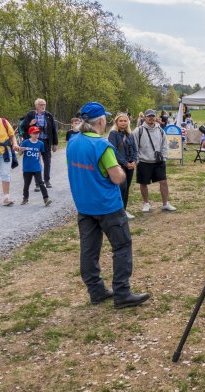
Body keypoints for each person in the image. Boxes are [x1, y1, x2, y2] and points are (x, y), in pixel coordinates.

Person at [66, 101, 150, 308]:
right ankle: (122, 293)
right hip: (107, 206)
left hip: (84, 206)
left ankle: (96, 291)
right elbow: (116, 177)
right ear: (102, 120)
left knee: (89, 250)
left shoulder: (73, 141)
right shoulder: (102, 145)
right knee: (122, 246)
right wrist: (123, 172)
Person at [133, 109, 176, 212]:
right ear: (145, 117)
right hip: (144, 161)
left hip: (158, 161)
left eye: (153, 116)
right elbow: (135, 146)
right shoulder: (138, 130)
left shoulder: (160, 130)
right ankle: (146, 204)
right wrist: (137, 160)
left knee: (163, 182)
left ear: (155, 117)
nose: (151, 118)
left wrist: (164, 157)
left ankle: (165, 203)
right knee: (143, 183)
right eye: (149, 116)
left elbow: (165, 145)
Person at [19, 98, 58, 188]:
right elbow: (24, 127)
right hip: (34, 142)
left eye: (44, 104)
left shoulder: (49, 115)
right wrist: (30, 124)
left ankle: (47, 180)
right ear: (36, 105)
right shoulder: (30, 114)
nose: (43, 106)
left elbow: (53, 129)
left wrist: (55, 143)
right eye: (40, 104)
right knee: (36, 162)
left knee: (47, 161)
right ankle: (38, 183)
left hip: (46, 141)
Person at [108, 113, 138, 219]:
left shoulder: (130, 134)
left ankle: (124, 210)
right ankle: (117, 211)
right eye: (121, 121)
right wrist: (125, 163)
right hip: (119, 165)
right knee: (121, 188)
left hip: (130, 165)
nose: (123, 123)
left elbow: (135, 149)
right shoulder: (113, 134)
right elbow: (113, 151)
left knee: (127, 188)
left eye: (125, 121)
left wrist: (134, 161)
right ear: (116, 122)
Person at [20, 126, 52, 206]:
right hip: (27, 168)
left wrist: (39, 163)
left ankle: (46, 198)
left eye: (37, 133)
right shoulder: (25, 142)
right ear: (30, 134)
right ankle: (25, 198)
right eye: (34, 133)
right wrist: (21, 150)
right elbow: (20, 153)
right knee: (26, 184)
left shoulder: (40, 143)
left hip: (37, 167)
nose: (36, 135)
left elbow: (40, 154)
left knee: (41, 183)